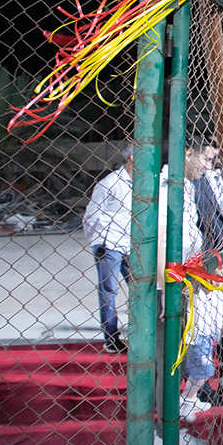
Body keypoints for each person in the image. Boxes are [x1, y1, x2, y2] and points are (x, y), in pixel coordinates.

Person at [178, 137, 223, 422]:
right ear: (188, 153)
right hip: (193, 274)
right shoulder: (177, 186)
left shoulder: (200, 180)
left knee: (205, 340)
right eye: (206, 159)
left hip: (207, 272)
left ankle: (191, 397)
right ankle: (183, 403)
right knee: (196, 348)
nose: (210, 166)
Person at [83, 145, 133, 354]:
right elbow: (91, 215)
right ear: (131, 157)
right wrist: (99, 241)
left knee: (140, 287)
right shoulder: (110, 183)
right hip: (110, 243)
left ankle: (139, 333)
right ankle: (111, 338)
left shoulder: (142, 183)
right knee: (109, 290)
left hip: (131, 243)